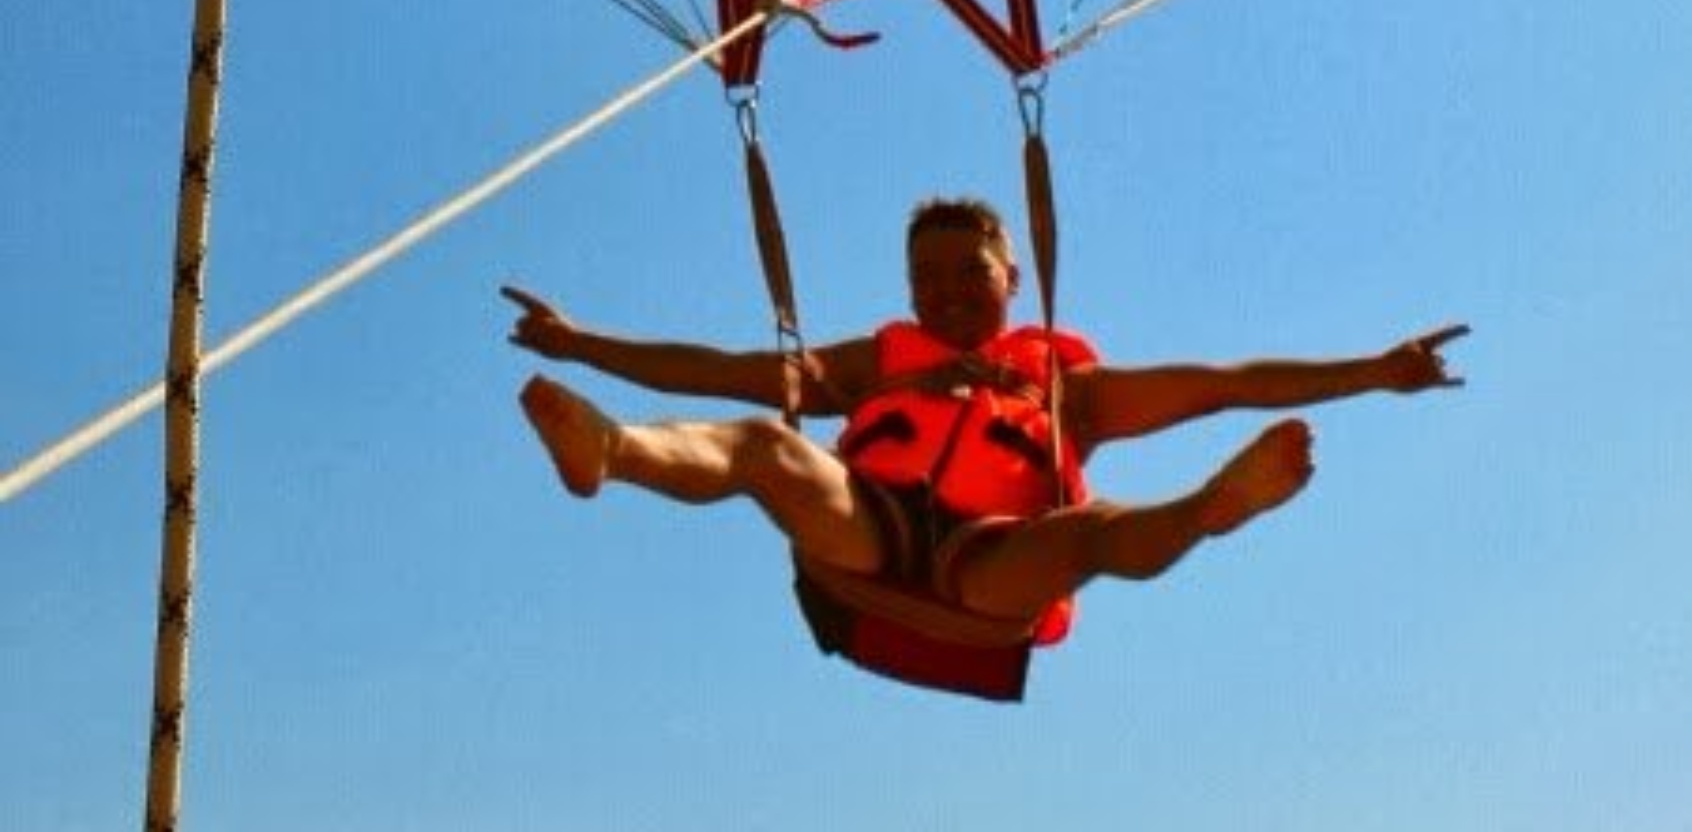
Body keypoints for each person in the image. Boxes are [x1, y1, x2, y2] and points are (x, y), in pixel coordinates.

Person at [506, 196, 1466, 660]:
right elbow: (723, 368)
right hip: (867, 535)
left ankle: (1209, 506)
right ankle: (613, 448)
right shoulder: (884, 360)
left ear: (1012, 274)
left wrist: (1375, 372)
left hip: (991, 563)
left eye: (972, 270)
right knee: (763, 444)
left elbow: (1223, 383)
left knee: (1087, 534)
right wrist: (583, 344)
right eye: (931, 277)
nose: (951, 290)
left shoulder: (1064, 384)